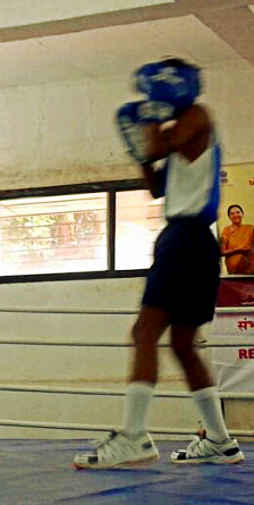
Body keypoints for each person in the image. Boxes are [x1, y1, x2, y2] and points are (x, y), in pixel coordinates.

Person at [73, 58, 245, 469]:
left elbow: (155, 145)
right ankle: (220, 441)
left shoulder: (197, 116)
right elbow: (154, 186)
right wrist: (140, 151)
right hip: (189, 241)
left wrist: (146, 125)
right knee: (182, 344)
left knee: (145, 330)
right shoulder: (176, 131)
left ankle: (134, 436)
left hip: (187, 239)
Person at [220, 204, 254, 274]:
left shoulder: (250, 228)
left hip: (250, 260)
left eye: (238, 212)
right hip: (234, 264)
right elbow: (222, 251)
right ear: (229, 217)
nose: (235, 215)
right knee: (239, 257)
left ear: (242, 214)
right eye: (232, 213)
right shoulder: (226, 231)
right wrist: (238, 249)